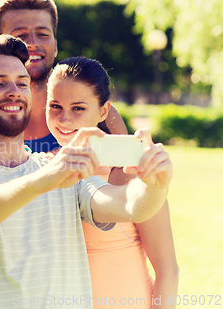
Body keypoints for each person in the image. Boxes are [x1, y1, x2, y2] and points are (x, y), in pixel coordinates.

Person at [0, 34, 173, 309]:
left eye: (22, 83)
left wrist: (153, 185)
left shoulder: (62, 171)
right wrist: (41, 181)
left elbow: (127, 205)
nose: (14, 91)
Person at [47, 56, 178, 308]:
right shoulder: (40, 167)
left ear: (103, 111)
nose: (64, 119)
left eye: (78, 108)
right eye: (55, 106)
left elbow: (167, 269)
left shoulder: (132, 171)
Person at [0, 0, 128, 152]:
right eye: (20, 36)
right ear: (0, 46)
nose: (33, 43)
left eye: (43, 34)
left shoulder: (94, 110)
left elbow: (126, 177)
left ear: (55, 45)